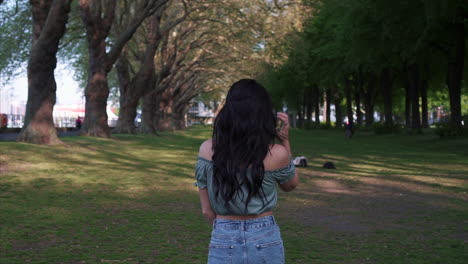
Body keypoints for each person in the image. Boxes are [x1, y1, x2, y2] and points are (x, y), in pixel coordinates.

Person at [195, 79, 299, 264]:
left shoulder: (207, 150)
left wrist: (227, 228)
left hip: (223, 233)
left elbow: (206, 211)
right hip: (265, 234)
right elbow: (290, 185)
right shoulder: (276, 153)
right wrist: (285, 142)